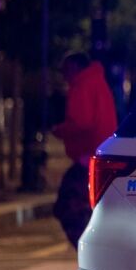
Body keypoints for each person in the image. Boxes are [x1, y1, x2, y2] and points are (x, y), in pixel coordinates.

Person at [51, 54, 118, 255]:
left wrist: (60, 130)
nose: (64, 76)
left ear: (75, 67)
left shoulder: (82, 85)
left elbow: (82, 122)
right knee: (89, 209)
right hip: (103, 154)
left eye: (66, 70)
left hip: (88, 158)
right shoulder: (98, 82)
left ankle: (89, 255)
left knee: (68, 208)